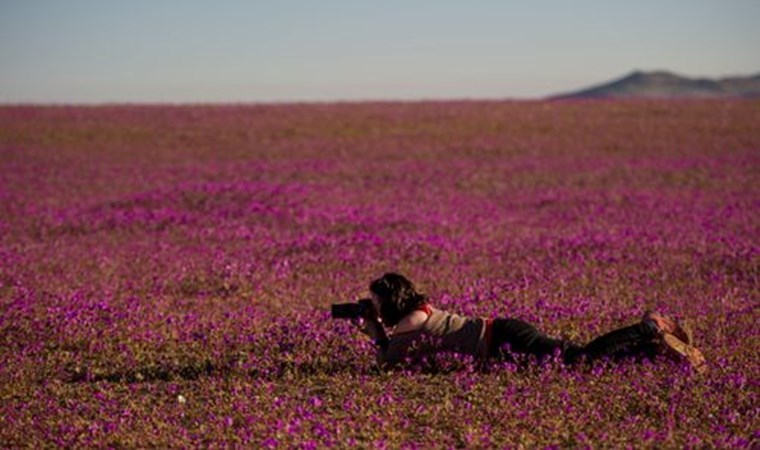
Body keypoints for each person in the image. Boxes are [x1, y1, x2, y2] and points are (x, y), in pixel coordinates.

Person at [354, 272, 706, 372]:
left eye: (375, 301)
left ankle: (650, 326)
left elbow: (386, 364)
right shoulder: (420, 311)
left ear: (389, 301)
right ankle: (655, 352)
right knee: (581, 366)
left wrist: (373, 331)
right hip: (504, 335)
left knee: (579, 359)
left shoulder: (406, 324)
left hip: (506, 340)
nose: (372, 306)